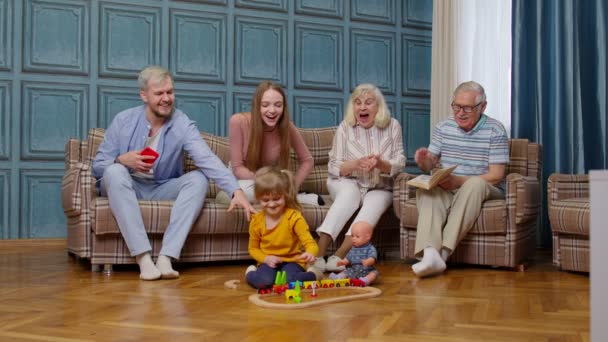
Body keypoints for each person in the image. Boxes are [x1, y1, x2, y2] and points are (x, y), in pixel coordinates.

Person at [92, 65, 256, 281]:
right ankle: (143, 258)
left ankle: (166, 257)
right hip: (127, 184)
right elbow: (97, 166)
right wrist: (121, 160)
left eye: (170, 92)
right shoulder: (123, 120)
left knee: (198, 178)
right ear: (144, 95)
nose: (167, 98)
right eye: (159, 93)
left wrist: (235, 191)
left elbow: (206, 159)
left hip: (162, 186)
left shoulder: (182, 123)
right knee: (113, 171)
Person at [412, 81, 509, 277]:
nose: (460, 113)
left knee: (474, 183)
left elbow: (497, 175)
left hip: (485, 189)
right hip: (450, 186)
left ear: (482, 107)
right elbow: (430, 164)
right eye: (456, 106)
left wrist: (458, 181)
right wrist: (423, 161)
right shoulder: (443, 127)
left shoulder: (495, 130)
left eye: (467, 108)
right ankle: (430, 255)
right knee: (427, 189)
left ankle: (443, 254)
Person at [313, 83, 406, 272]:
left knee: (373, 204)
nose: (362, 107)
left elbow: (399, 162)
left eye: (368, 102)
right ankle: (318, 253)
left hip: (380, 185)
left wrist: (380, 164)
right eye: (357, 102)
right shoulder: (345, 127)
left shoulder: (393, 125)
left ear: (378, 107)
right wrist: (355, 164)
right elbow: (333, 166)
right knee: (349, 195)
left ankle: (338, 256)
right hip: (347, 181)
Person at [226, 81, 321, 205]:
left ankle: (287, 195)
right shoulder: (238, 121)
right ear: (257, 106)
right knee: (238, 193)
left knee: (264, 192)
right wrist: (269, 181)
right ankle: (298, 198)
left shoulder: (287, 127)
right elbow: (237, 168)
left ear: (283, 107)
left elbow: (308, 160)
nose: (272, 110)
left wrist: (294, 186)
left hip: (271, 183)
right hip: (242, 181)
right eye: (265, 105)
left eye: (278, 105)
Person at [245, 167, 323, 289]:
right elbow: (253, 249)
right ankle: (250, 272)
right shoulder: (256, 220)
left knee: (289, 281)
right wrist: (266, 258)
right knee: (263, 282)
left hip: (293, 261)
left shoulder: (294, 217)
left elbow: (310, 243)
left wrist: (310, 253)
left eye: (276, 199)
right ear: (258, 198)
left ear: (285, 195)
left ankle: (313, 273)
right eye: (265, 200)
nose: (271, 204)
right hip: (268, 262)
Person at [328, 221, 378, 285]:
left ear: (367, 237)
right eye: (352, 236)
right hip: (354, 270)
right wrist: (343, 262)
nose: (354, 239)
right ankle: (338, 277)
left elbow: (373, 258)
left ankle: (365, 280)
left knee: (373, 274)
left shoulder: (370, 248)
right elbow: (348, 258)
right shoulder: (353, 248)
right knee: (346, 271)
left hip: (367, 271)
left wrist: (369, 261)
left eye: (357, 236)